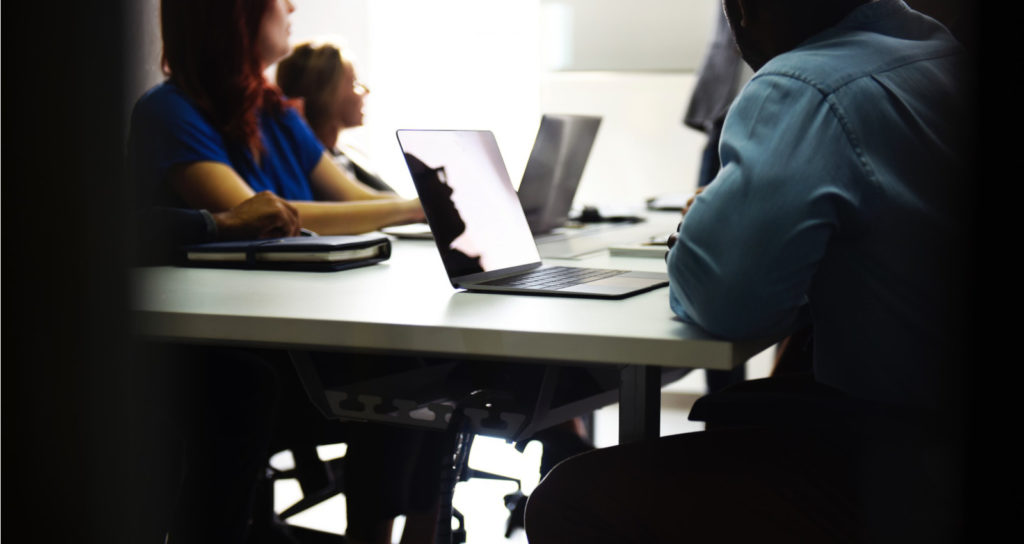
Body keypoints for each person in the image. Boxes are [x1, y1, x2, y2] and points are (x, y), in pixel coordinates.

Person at [526, 0, 973, 541]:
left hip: (910, 466)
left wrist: (698, 232)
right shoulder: (941, 56)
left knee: (571, 497)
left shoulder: (805, 83)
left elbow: (726, 302)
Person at [128, 0, 423, 235]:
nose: (292, 6)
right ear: (237, 11)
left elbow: (354, 196)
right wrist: (413, 209)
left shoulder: (277, 112)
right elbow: (263, 217)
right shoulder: (168, 112)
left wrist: (424, 206)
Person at [276, 42, 395, 193]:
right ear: (325, 94)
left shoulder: (349, 153)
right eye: (354, 83)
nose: (366, 91)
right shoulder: (307, 167)